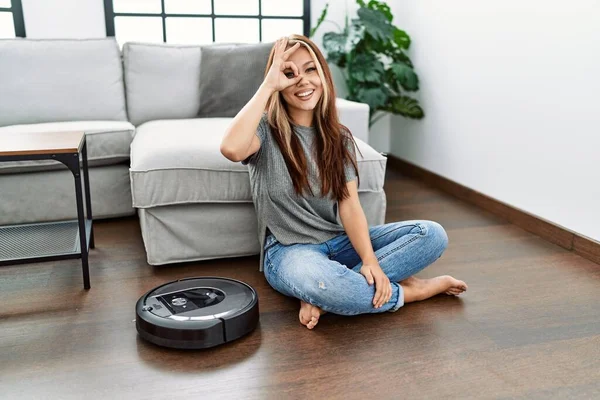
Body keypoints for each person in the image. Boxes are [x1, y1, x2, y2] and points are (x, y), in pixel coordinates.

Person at [220, 35, 467, 330]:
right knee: (321, 282)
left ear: (324, 75)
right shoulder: (264, 129)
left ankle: (329, 296)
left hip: (339, 243)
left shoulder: (340, 138)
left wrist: (370, 260)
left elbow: (349, 206)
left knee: (432, 234)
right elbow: (231, 149)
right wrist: (269, 84)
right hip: (289, 250)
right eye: (289, 73)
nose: (302, 81)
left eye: (311, 69)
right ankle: (412, 292)